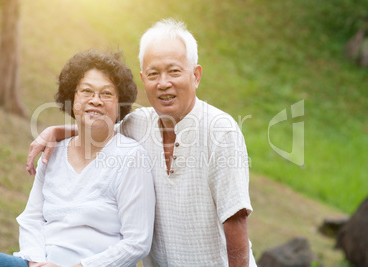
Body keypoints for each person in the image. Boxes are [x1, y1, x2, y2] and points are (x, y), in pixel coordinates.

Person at [26, 19, 257, 266]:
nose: (163, 82)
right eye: (153, 74)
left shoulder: (221, 131)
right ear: (143, 78)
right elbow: (97, 126)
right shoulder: (138, 124)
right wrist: (56, 131)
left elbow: (236, 221)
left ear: (196, 75)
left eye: (174, 71)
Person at [0, 50, 155, 267]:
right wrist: (36, 263)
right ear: (72, 97)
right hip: (42, 263)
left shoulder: (131, 157)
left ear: (119, 103)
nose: (96, 100)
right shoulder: (53, 152)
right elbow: (32, 219)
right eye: (87, 91)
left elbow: (137, 242)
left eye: (107, 94)